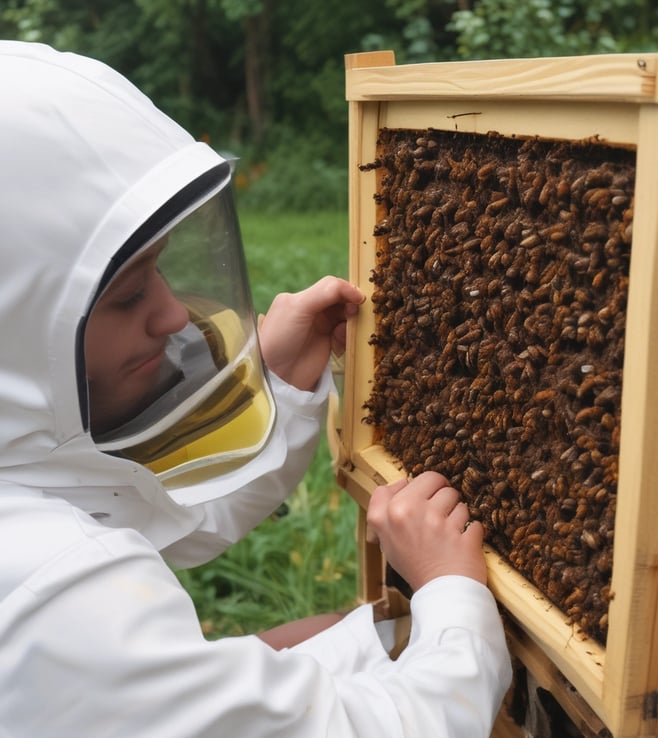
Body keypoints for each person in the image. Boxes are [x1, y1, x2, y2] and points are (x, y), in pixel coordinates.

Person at [0, 40, 512, 737]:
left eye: (161, 270)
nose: (174, 313)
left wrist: (267, 384)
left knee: (330, 635)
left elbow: (146, 514)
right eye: (125, 297)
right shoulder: (53, 602)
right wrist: (452, 597)